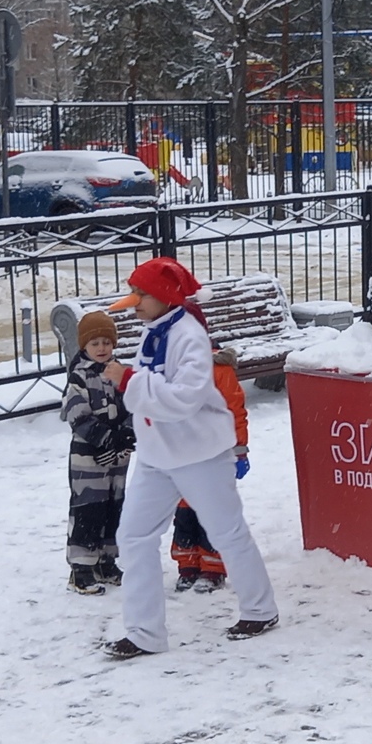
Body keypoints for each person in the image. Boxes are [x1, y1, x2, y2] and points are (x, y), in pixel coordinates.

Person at [105, 257, 279, 657]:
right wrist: (135, 386)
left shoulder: (188, 335)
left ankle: (260, 608)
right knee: (133, 536)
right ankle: (143, 632)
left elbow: (186, 397)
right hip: (156, 451)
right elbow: (156, 386)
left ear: (165, 297)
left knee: (227, 532)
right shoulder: (155, 329)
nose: (134, 303)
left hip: (200, 451)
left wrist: (129, 381)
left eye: (142, 295)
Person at [61, 309, 132, 595]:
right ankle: (81, 568)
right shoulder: (79, 377)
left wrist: (125, 436)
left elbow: (132, 403)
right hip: (87, 457)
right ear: (84, 346)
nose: (102, 348)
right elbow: (77, 414)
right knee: (89, 509)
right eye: (95, 343)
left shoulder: (118, 372)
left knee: (114, 507)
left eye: (106, 342)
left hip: (118, 457)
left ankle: (106, 560)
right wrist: (102, 439)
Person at [171, 345, 250, 593]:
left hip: (215, 452)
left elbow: (235, 410)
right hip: (182, 454)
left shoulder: (219, 369)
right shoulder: (170, 368)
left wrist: (239, 450)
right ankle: (187, 564)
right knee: (184, 511)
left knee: (211, 511)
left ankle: (213, 568)